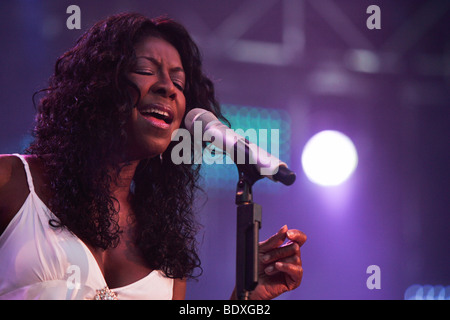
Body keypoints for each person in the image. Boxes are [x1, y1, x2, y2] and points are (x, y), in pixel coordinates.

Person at [0, 12, 306, 300]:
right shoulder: (11, 183)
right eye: (145, 71)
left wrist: (245, 297)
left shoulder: (165, 253)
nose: (167, 88)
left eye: (179, 83)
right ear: (98, 85)